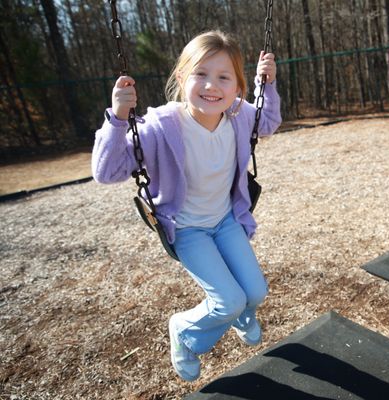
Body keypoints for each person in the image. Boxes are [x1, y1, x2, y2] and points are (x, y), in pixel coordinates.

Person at [91, 30, 281, 382]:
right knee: (227, 301)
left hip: (226, 221)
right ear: (182, 77)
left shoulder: (239, 115)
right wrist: (118, 118)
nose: (212, 85)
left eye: (224, 77)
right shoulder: (161, 127)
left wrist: (265, 85)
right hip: (188, 229)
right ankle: (184, 331)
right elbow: (106, 171)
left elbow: (267, 122)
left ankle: (242, 315)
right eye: (201, 74)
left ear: (237, 87)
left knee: (254, 293)